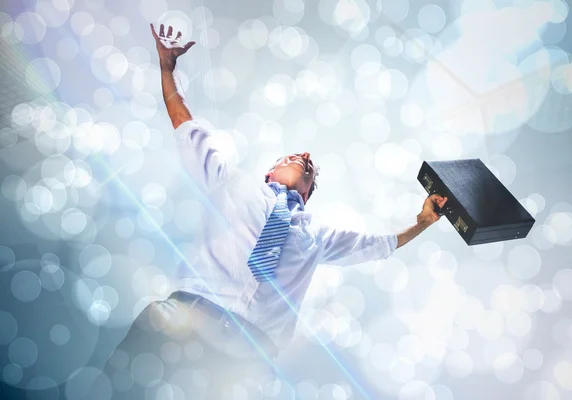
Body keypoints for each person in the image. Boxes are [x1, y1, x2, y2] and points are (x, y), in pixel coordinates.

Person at [100, 24, 448, 399]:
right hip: (186, 318)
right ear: (270, 170)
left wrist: (423, 223)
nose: (306, 156)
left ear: (309, 192)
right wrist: (167, 69)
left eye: (310, 167)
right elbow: (186, 125)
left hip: (243, 357)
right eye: (293, 156)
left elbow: (375, 244)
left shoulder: (318, 235)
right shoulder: (228, 182)